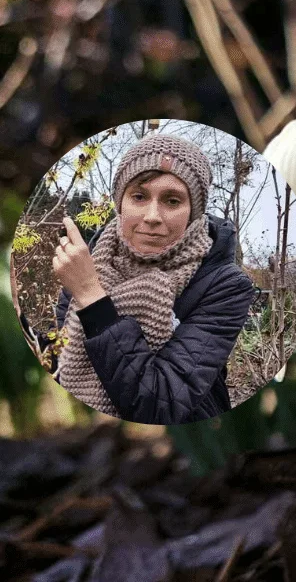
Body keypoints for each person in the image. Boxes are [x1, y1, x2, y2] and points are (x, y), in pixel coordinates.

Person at [44, 134, 257, 425]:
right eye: (139, 196)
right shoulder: (90, 261)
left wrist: (92, 297)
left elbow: (162, 403)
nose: (152, 216)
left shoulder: (225, 286)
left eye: (172, 200)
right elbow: (58, 358)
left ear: (193, 212)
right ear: (121, 203)